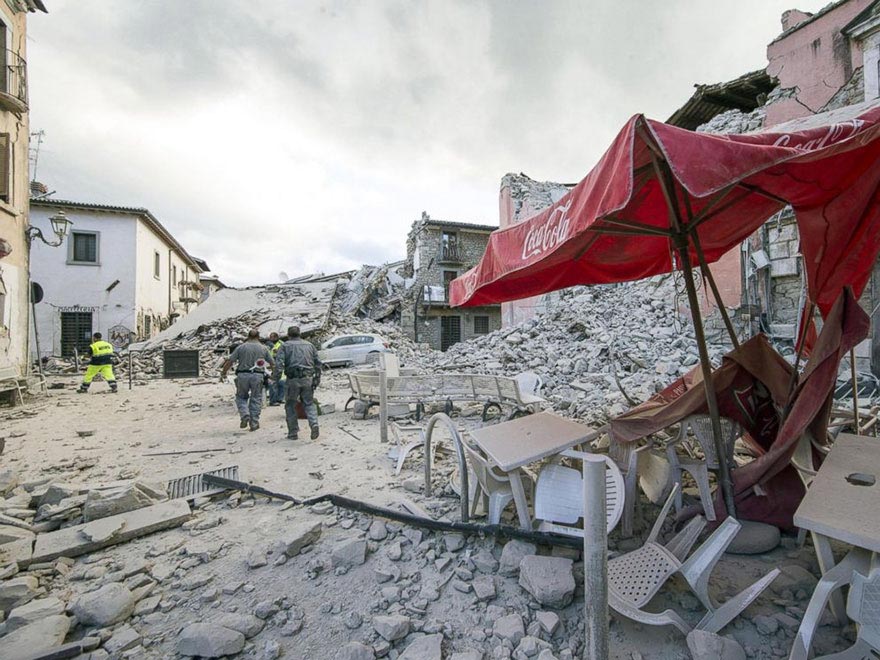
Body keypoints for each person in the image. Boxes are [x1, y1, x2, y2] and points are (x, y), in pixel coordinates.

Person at [220, 328, 274, 432]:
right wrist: (273, 375)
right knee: (256, 398)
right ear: (258, 337)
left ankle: (245, 414)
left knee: (241, 397)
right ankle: (254, 422)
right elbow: (272, 363)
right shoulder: (264, 348)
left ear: (248, 336)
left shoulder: (241, 347)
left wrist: (223, 373)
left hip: (242, 375)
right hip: (258, 375)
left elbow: (230, 361)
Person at [273, 325, 321, 440]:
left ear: (288, 335)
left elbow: (279, 364)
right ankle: (314, 423)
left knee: (290, 405)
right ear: (300, 334)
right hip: (307, 378)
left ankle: (293, 432)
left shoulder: (285, 346)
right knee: (309, 403)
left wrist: (276, 379)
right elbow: (318, 363)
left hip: (292, 380)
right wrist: (316, 379)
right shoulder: (310, 345)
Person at [266, 332, 285, 406]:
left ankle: (279, 398)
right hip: (273, 366)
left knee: (280, 383)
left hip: (279, 366)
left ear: (276, 337)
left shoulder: (281, 344)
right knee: (275, 383)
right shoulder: (270, 345)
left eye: (272, 337)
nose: (271, 339)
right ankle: (275, 399)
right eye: (270, 337)